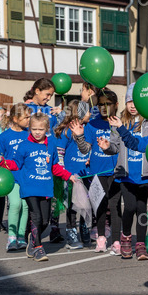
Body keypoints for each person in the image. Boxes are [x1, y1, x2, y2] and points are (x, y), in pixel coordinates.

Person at [0, 113, 77, 261]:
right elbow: (16, 164)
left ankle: (32, 241)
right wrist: (2, 161)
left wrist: (68, 175)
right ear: (30, 128)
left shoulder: (51, 144)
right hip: (29, 187)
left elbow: (55, 166)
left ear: (47, 129)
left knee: (44, 221)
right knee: (36, 216)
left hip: (45, 188)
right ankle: (38, 248)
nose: (37, 132)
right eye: (34, 129)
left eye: (41, 129)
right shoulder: (24, 145)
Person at [108, 84, 148, 261]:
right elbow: (114, 147)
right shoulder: (119, 122)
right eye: (129, 101)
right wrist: (107, 147)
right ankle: (126, 238)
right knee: (129, 207)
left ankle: (141, 245)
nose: (132, 105)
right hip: (125, 174)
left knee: (141, 210)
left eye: (135, 101)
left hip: (144, 174)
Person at [85, 89, 122, 253]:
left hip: (116, 171)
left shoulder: (121, 123)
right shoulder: (92, 124)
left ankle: (116, 241)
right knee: (99, 205)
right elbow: (85, 148)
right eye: (101, 104)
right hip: (98, 171)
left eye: (108, 104)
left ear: (116, 105)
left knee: (114, 206)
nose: (104, 107)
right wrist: (79, 137)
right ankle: (101, 238)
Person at [0, 103, 32, 251]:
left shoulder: (30, 134)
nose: (29, 120)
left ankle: (21, 237)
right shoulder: (4, 136)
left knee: (25, 206)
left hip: (27, 177)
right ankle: (11, 237)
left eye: (29, 117)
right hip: (11, 178)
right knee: (15, 204)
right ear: (15, 118)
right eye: (26, 117)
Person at [50, 101, 90, 249]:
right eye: (87, 111)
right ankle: (71, 232)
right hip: (71, 177)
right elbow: (59, 156)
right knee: (71, 206)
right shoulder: (65, 132)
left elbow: (89, 149)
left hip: (85, 174)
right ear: (79, 113)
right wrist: (65, 175)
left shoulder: (87, 129)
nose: (90, 114)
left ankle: (85, 228)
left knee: (86, 203)